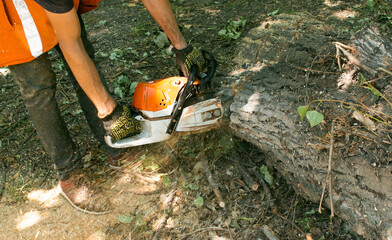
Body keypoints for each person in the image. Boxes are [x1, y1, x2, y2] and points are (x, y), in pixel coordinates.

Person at [1, 0, 206, 214]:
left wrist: (181, 46)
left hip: (55, 6)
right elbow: (70, 44)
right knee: (38, 85)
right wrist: (109, 111)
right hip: (15, 12)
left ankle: (115, 146)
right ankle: (68, 172)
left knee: (83, 53)